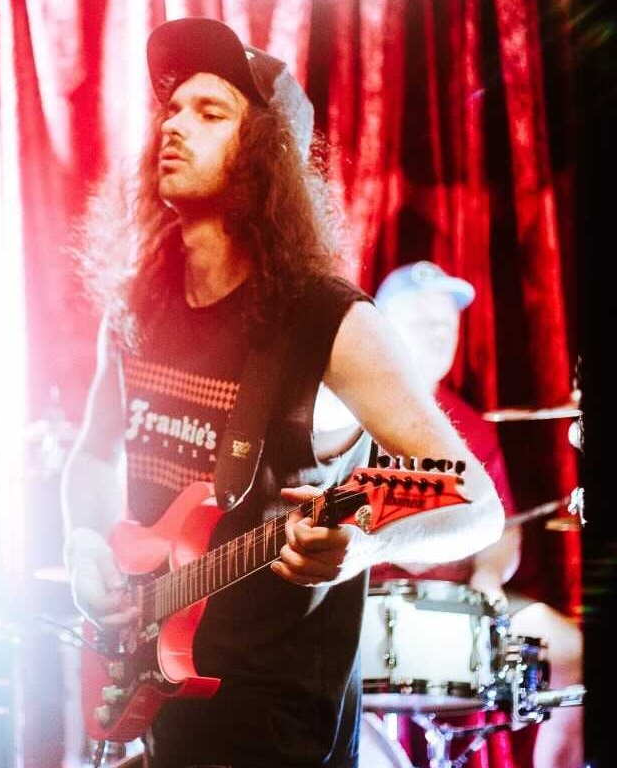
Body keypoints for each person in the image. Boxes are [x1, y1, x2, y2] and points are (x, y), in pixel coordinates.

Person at [61, 18, 504, 768]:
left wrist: (365, 541)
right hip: (164, 699)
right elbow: (95, 454)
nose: (174, 125)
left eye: (211, 113)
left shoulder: (325, 319)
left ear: (268, 155)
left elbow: (476, 505)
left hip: (277, 728)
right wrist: (83, 543)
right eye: (172, 109)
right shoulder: (137, 306)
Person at [366, 260, 583, 768]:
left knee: (574, 651)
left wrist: (488, 573)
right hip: (366, 603)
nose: (441, 332)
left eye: (448, 323)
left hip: (460, 605)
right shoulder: (351, 413)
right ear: (383, 329)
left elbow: (503, 529)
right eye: (423, 320)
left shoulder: (469, 424)